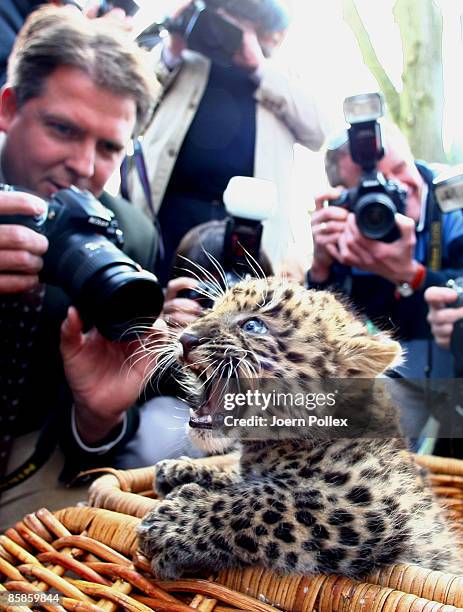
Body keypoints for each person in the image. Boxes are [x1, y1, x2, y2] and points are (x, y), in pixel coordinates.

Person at [0, 5, 163, 529]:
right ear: (8, 108)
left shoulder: (132, 238)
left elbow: (96, 442)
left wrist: (97, 417)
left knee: (39, 600)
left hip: (39, 462)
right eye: (63, 129)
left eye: (109, 147)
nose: (85, 166)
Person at [123, 0, 325, 286]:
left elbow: (318, 132)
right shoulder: (184, 60)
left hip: (249, 226)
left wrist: (257, 65)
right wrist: (174, 46)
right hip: (166, 210)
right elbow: (129, 99)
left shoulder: (281, 73)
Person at [308, 123, 463, 381]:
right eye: (373, 187)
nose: (398, 188)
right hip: (397, 369)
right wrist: (321, 267)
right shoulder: (346, 234)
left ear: (411, 155)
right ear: (343, 198)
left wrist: (412, 275)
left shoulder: (453, 196)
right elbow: (324, 332)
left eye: (400, 169)